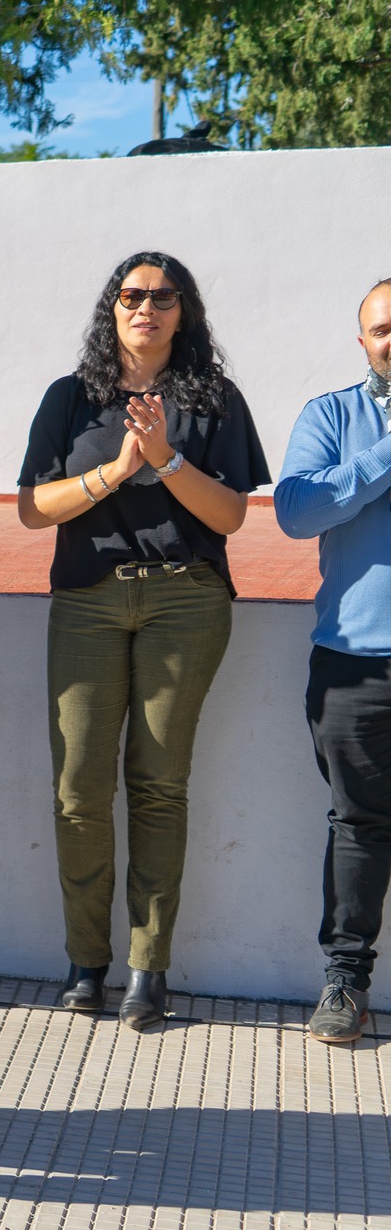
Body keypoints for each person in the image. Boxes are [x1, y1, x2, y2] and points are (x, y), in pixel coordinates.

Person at [18, 251, 265, 1032]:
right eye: (131, 295)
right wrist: (116, 472)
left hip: (185, 599)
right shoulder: (71, 398)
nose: (145, 308)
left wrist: (166, 459)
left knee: (158, 782)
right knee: (79, 787)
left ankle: (147, 966)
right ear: (112, 307)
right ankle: (85, 960)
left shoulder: (213, 398)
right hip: (88, 599)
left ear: (183, 311)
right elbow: (32, 507)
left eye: (162, 297)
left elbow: (230, 515)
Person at [274, 277, 391, 1045]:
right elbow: (298, 510)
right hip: (356, 666)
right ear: (364, 342)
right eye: (384, 329)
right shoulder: (332, 416)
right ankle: (346, 982)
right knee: (358, 824)